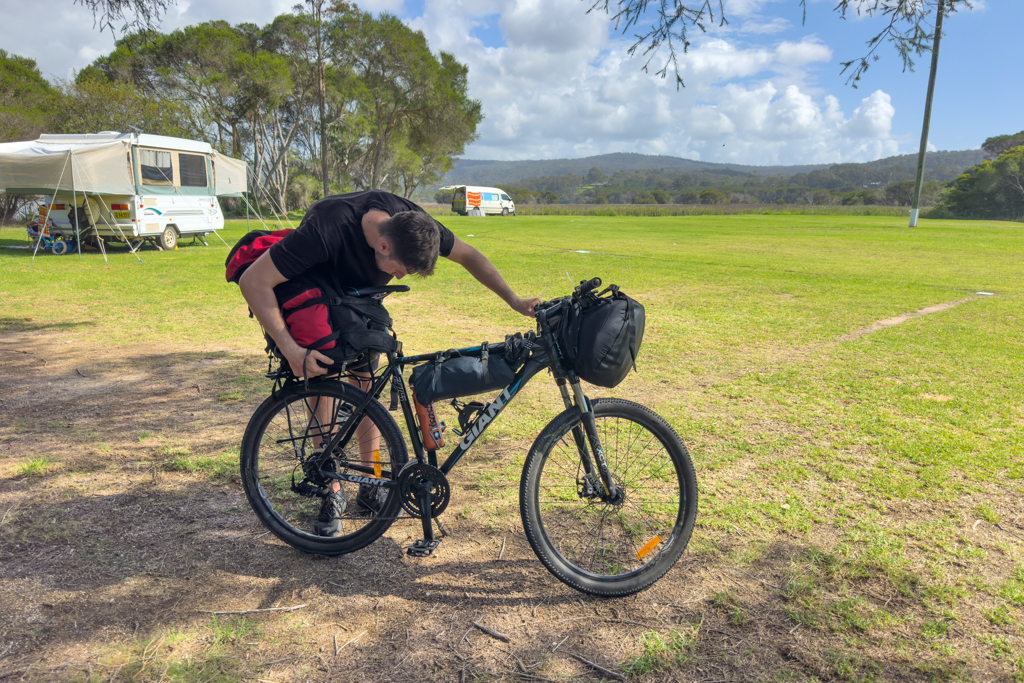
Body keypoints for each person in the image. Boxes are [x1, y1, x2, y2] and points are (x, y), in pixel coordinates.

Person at [238, 189, 538, 535]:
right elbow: (254, 281)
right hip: (321, 291)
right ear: (383, 246)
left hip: (362, 298)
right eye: (402, 270)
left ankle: (371, 480)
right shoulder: (326, 228)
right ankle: (330, 488)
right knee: (323, 378)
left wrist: (513, 301)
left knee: (366, 381)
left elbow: (468, 256)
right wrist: (292, 351)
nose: (400, 278)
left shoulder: (412, 224)